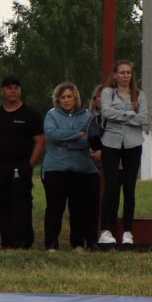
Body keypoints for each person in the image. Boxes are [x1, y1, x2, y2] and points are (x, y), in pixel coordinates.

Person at [0, 76, 42, 251]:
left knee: (21, 205)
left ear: (20, 91)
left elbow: (40, 141)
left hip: (21, 167)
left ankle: (23, 241)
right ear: (2, 91)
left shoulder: (31, 115)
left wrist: (30, 165)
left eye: (16, 87)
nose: (12, 91)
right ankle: (7, 241)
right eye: (8, 88)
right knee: (0, 205)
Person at [41, 82, 99, 251]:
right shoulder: (51, 115)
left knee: (78, 208)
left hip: (80, 168)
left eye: (69, 97)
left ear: (76, 98)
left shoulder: (88, 117)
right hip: (55, 168)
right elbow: (52, 134)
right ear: (58, 100)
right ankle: (51, 243)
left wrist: (68, 142)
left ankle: (78, 243)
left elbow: (89, 139)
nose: (66, 100)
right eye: (63, 97)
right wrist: (77, 135)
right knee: (54, 208)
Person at [96, 60, 147, 247]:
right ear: (115, 75)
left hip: (133, 144)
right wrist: (130, 115)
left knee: (130, 188)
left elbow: (143, 117)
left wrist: (121, 115)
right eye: (122, 72)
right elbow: (107, 112)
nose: (126, 76)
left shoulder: (140, 95)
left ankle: (127, 231)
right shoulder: (108, 92)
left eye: (129, 73)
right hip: (111, 143)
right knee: (111, 186)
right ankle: (106, 230)